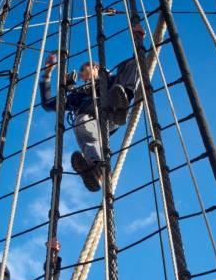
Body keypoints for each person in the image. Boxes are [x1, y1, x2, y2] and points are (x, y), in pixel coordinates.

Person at [39, 24, 146, 192]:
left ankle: (119, 106)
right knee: (81, 121)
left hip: (112, 107)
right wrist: (47, 74)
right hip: (94, 122)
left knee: (132, 64)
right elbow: (48, 104)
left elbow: (136, 66)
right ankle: (96, 170)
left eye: (83, 69)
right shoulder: (79, 96)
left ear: (95, 66)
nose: (81, 74)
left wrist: (138, 40)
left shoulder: (110, 79)